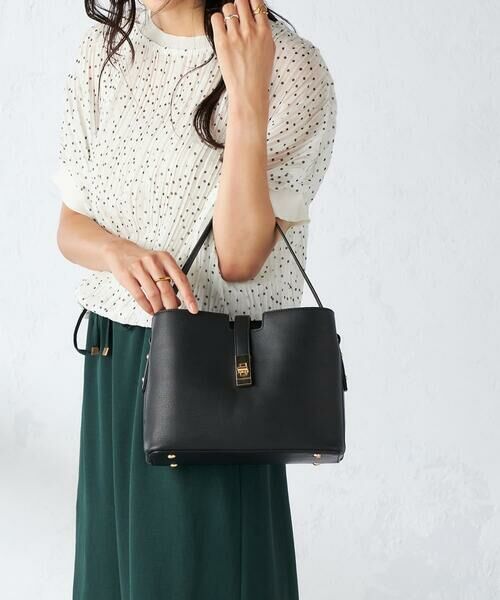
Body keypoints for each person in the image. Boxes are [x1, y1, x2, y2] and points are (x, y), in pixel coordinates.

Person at [53, 1, 337, 598]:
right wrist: (118, 253)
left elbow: (239, 258)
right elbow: (70, 225)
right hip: (111, 361)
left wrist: (248, 95)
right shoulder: (107, 50)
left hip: (211, 375)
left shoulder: (290, 67)